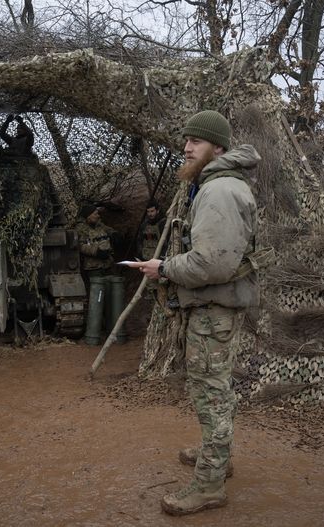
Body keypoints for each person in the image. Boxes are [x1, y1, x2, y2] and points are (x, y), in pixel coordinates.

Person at [129, 110, 259, 516]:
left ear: (217, 148)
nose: (186, 148)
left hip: (213, 307)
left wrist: (163, 269)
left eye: (196, 142)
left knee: (210, 394)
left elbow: (211, 264)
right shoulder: (219, 184)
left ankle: (209, 485)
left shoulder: (218, 191)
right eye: (186, 140)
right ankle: (215, 457)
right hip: (217, 306)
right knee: (214, 388)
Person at [76, 204, 115, 278]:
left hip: (108, 264)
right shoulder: (81, 229)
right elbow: (80, 245)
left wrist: (114, 234)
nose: (98, 216)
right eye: (95, 214)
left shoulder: (99, 225)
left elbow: (107, 229)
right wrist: (96, 252)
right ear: (88, 216)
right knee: (98, 286)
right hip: (93, 267)